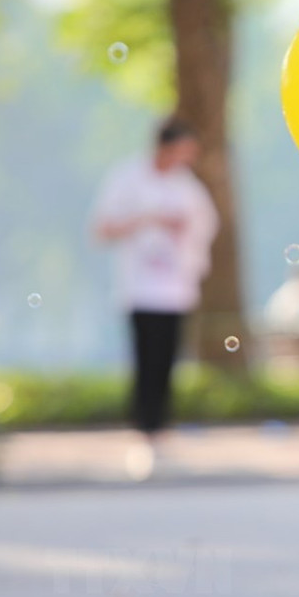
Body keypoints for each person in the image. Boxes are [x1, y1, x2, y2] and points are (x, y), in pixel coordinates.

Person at [91, 117, 218, 474]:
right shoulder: (127, 178)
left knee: (167, 360)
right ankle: (143, 430)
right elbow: (102, 228)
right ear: (166, 147)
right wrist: (149, 219)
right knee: (145, 359)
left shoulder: (187, 186)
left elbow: (206, 224)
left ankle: (161, 428)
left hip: (176, 288)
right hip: (139, 288)